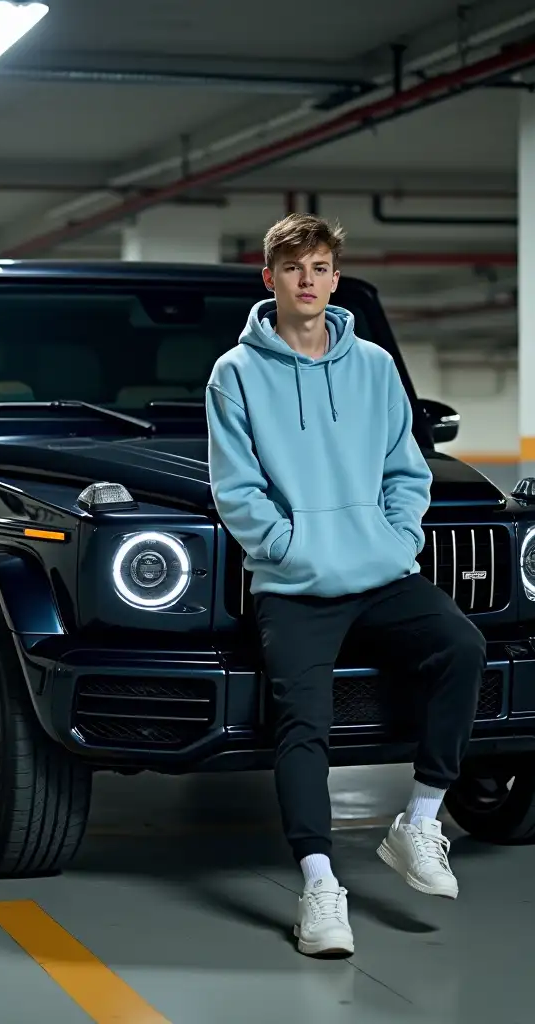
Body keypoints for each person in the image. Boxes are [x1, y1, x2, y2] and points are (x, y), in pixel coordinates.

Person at [205, 213, 486, 958]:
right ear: (270, 278)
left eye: (322, 267)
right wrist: (290, 548)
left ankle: (420, 821)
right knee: (303, 724)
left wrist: (395, 536)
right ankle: (321, 887)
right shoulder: (235, 374)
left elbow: (407, 468)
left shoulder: (373, 367)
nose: (309, 281)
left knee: (461, 645)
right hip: (294, 585)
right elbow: (237, 491)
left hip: (378, 570)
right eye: (294, 268)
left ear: (334, 277)